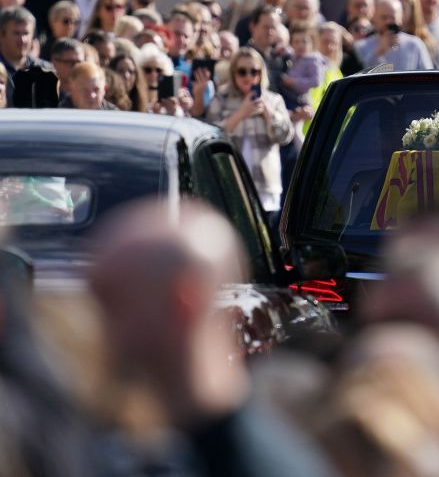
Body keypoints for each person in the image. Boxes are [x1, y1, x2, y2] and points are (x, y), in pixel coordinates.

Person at [87, 198, 332, 476]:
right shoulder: (111, 445)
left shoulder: (264, 464)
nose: (91, 319)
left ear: (184, 301)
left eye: (111, 300)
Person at [205, 47, 293, 213]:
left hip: (265, 185)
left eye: (254, 71)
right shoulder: (220, 99)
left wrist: (268, 114)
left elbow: (284, 137)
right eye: (242, 71)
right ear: (233, 73)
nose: (248, 77)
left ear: (261, 73)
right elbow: (211, 137)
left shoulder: (273, 100)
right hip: (230, 182)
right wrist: (241, 113)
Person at [355, 0, 434, 71]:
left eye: (393, 18)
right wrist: (380, 52)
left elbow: (428, 76)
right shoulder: (362, 47)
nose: (389, 22)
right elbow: (360, 75)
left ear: (400, 18)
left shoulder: (414, 45)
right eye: (384, 17)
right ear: (375, 18)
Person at [0, 6, 48, 99]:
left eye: (26, 33)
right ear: (2, 35)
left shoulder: (46, 70)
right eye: (16, 33)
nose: (22, 40)